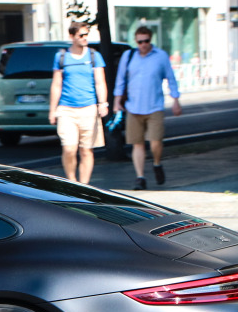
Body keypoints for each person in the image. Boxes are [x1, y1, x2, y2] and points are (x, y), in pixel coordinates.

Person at [114, 26, 181, 190]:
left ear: (151, 40)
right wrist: (117, 102)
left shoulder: (160, 56)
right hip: (133, 107)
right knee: (137, 143)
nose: (143, 44)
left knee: (155, 142)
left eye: (146, 41)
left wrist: (176, 100)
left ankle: (157, 163)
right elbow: (121, 79)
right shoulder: (128, 56)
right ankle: (140, 177)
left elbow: (171, 79)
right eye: (140, 42)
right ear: (136, 41)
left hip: (154, 106)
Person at [47, 22, 109, 184]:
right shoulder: (61, 57)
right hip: (67, 109)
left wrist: (103, 103)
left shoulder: (94, 56)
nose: (85, 38)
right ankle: (72, 181)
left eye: (86, 35)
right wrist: (52, 110)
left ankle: (84, 185)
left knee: (86, 150)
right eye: (81, 35)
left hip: (89, 108)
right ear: (72, 37)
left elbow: (100, 82)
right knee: (69, 148)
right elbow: (56, 85)